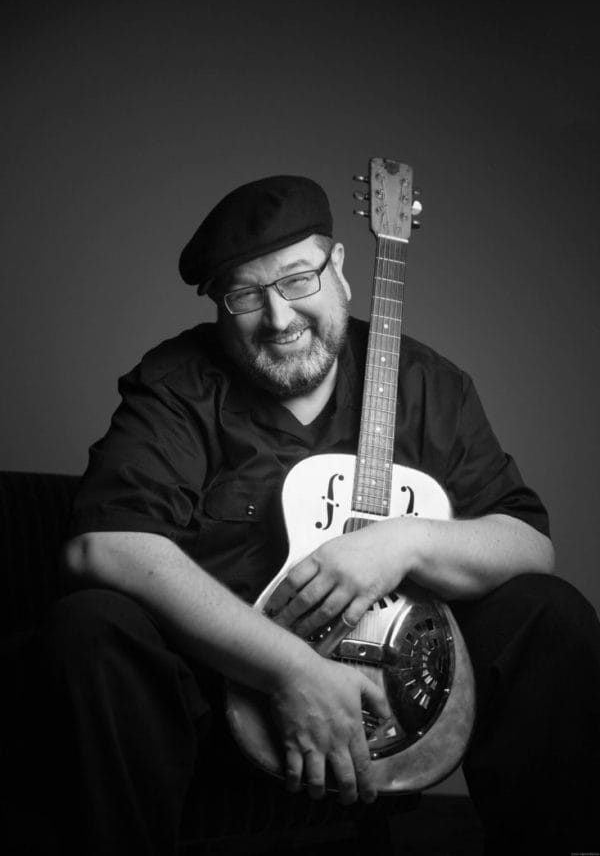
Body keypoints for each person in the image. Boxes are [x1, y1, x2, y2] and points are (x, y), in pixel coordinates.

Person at [39, 175, 599, 855]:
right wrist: (289, 671)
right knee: (91, 627)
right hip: (217, 695)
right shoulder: (179, 384)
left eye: (298, 279)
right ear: (220, 304)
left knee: (549, 613)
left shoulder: (426, 384)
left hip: (397, 687)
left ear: (339, 267)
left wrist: (402, 543)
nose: (279, 318)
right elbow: (104, 545)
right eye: (246, 295)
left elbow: (530, 544)